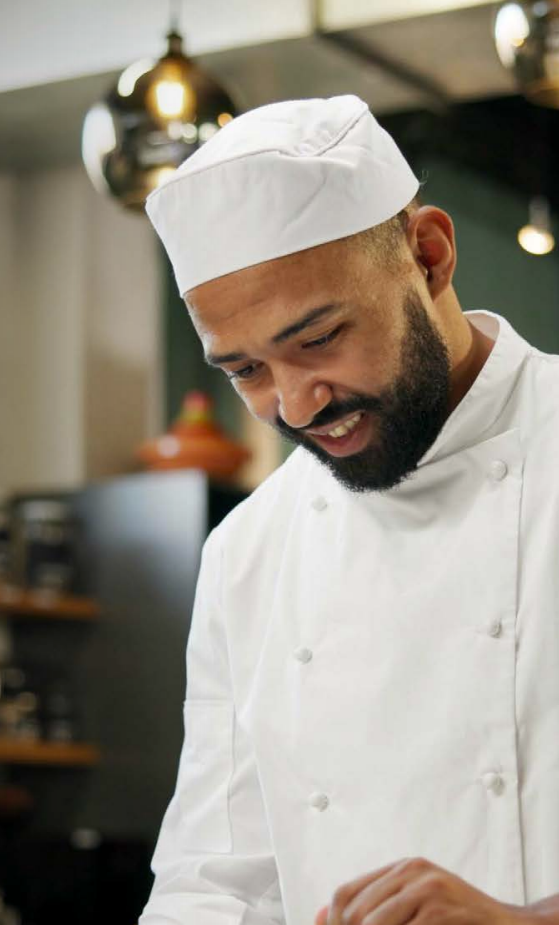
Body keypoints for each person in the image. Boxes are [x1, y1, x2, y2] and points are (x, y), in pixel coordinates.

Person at [138, 95, 559, 925]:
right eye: (244, 372)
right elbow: (214, 879)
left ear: (429, 255)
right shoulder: (248, 550)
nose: (294, 405)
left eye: (318, 338)